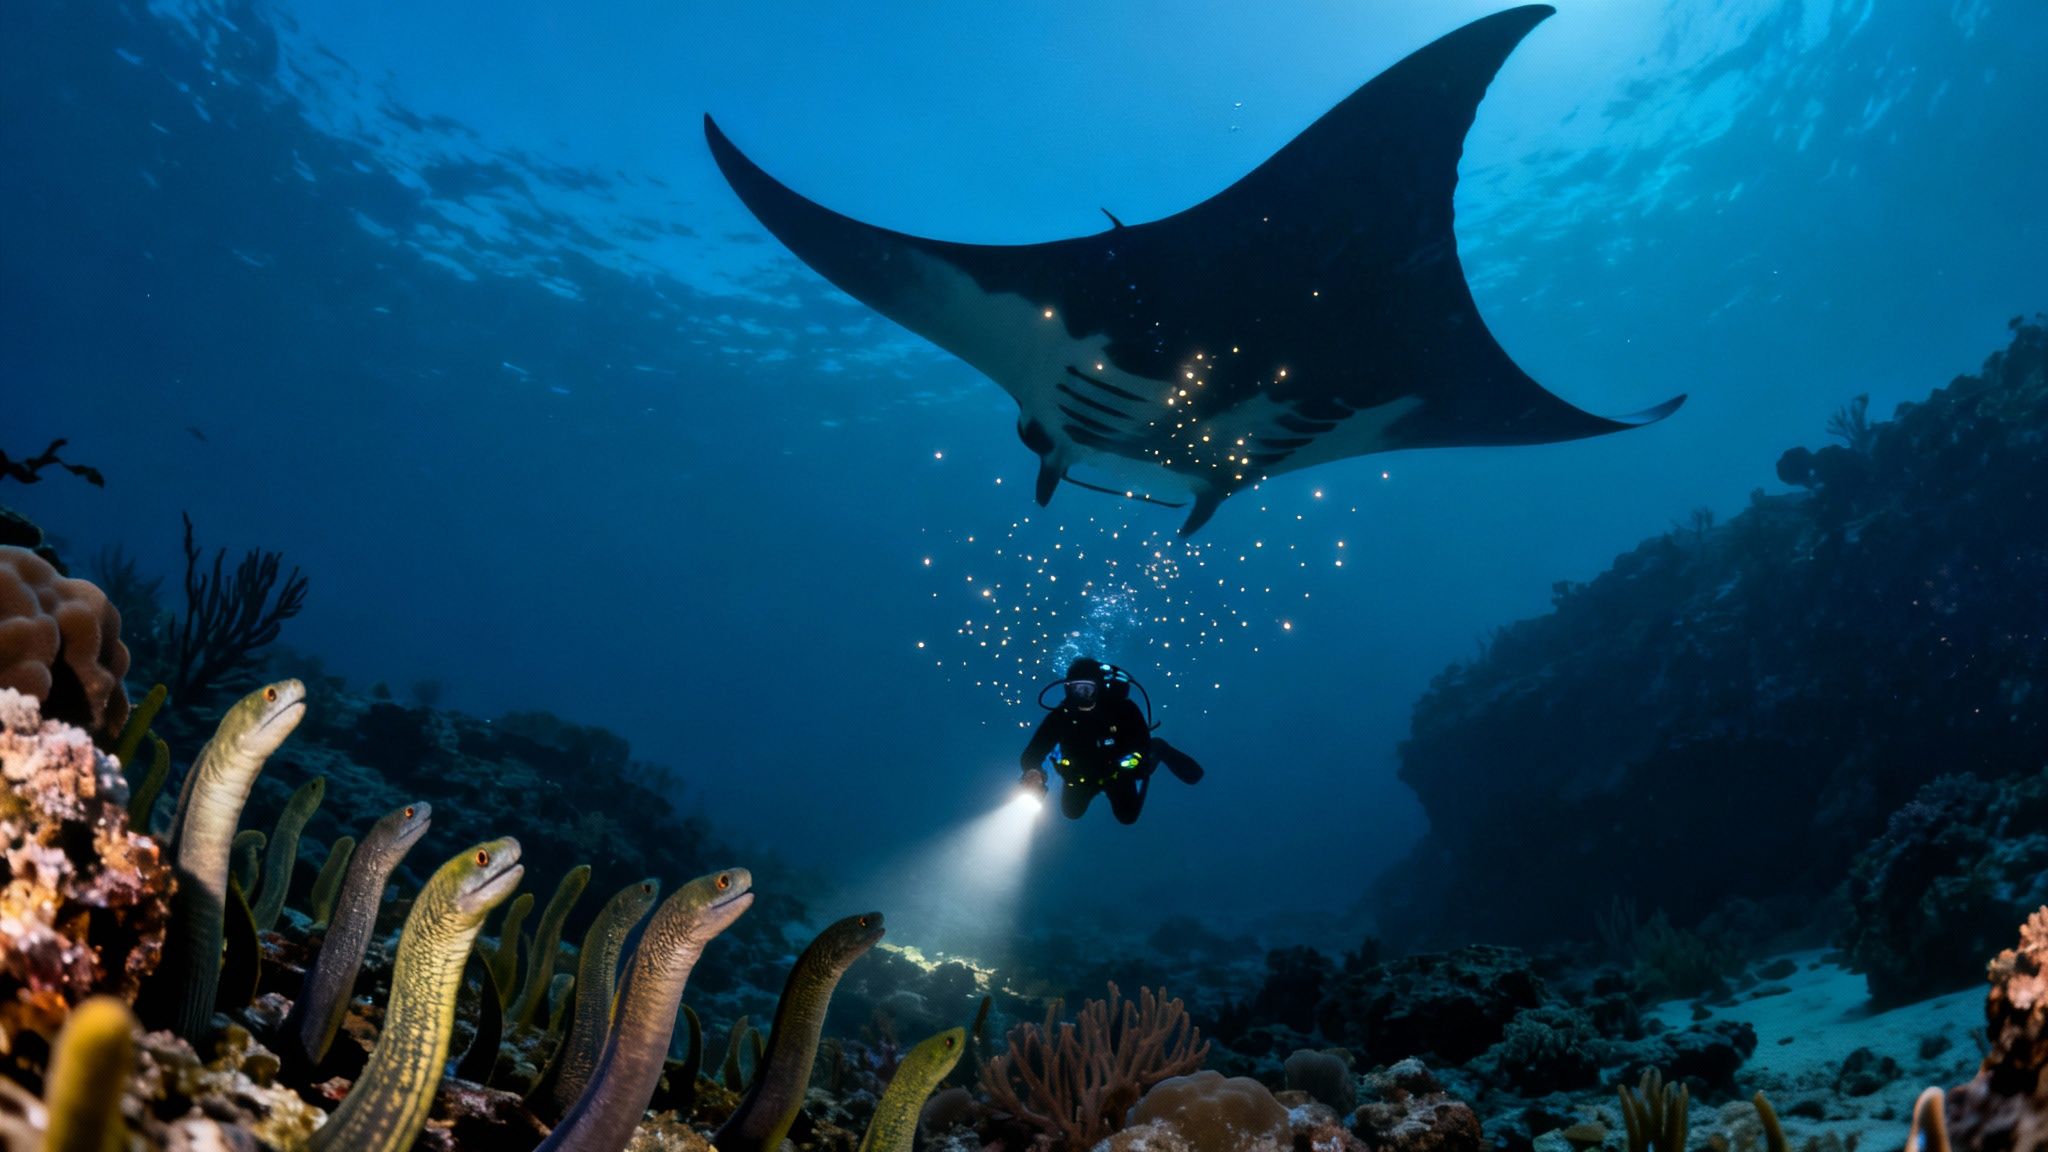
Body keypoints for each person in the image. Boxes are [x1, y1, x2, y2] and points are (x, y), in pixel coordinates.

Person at [1019, 657, 1204, 824]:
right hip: (1081, 776)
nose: (1082, 694)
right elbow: (1033, 751)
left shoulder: (1123, 709)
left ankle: (1159, 748)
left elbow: (1142, 741)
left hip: (1117, 773)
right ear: (1068, 688)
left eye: (1088, 688)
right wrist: (1033, 771)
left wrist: (1139, 758)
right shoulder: (1060, 717)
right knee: (1072, 813)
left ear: (1099, 687)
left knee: (1127, 817)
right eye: (1077, 688)